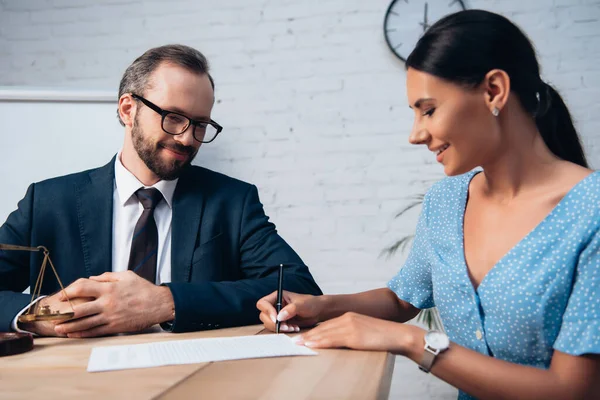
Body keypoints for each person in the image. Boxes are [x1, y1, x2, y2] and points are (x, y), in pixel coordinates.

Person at [257, 10, 600, 400]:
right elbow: (402, 299)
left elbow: (571, 390)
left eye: (429, 110)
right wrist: (320, 306)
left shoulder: (592, 213)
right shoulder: (446, 201)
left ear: (494, 91)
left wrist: (413, 341)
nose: (416, 134)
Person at [0, 44, 322, 337]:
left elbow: (299, 288)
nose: (187, 138)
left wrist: (168, 302)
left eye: (199, 125)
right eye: (173, 117)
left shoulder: (232, 202)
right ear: (128, 110)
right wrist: (37, 313)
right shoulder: (48, 202)